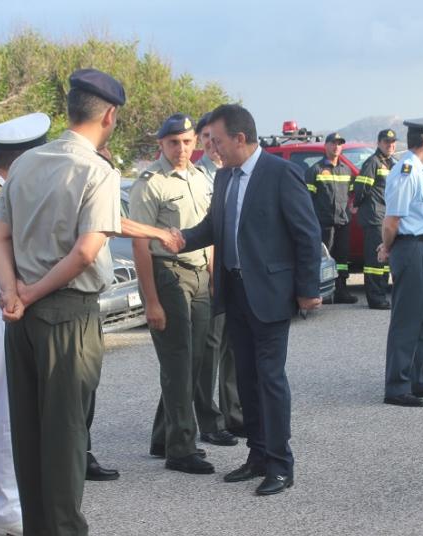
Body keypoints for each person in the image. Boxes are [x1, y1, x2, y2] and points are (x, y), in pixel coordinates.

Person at [0, 68, 179, 536]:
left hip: (21, 319)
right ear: (109, 115)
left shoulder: (27, 163)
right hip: (67, 315)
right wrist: (30, 292)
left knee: (29, 435)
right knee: (66, 437)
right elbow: (85, 252)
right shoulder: (97, 170)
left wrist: (12, 292)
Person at [0, 111, 118, 536]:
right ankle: (11, 511)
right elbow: (77, 249)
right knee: (20, 423)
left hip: (13, 306)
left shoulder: (7, 183)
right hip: (14, 307)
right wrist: (23, 294)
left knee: (28, 423)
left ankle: (30, 516)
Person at [173, 104, 322, 496]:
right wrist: (181, 238)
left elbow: (307, 234)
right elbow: (213, 226)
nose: (212, 148)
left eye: (217, 140)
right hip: (234, 291)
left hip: (269, 294)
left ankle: (280, 464)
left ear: (240, 138)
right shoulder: (225, 176)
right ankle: (257, 455)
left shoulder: (280, 173)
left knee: (270, 379)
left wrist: (308, 290)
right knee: (246, 379)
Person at [129, 113, 236, 475]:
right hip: (168, 273)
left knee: (194, 361)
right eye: (174, 142)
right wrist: (151, 302)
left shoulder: (200, 178)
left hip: (199, 274)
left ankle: (164, 436)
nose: (182, 148)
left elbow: (209, 232)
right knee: (178, 361)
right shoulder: (150, 183)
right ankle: (181, 448)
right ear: (161, 144)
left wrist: (213, 275)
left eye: (188, 141)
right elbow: (140, 244)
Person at [378, 115, 423, 407]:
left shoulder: (421, 170)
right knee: (407, 319)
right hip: (412, 249)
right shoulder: (406, 171)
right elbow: (392, 221)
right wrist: (386, 248)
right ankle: (397, 386)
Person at [195, 111, 245, 439]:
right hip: (207, 275)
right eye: (206, 139)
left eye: (216, 139)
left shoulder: (232, 171)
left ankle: (234, 414)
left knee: (233, 348)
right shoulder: (198, 175)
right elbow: (206, 230)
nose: (212, 145)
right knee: (208, 350)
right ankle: (207, 419)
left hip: (230, 274)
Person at [305, 132, 357, 303]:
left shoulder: (346, 170)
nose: (336, 147)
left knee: (342, 259)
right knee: (324, 260)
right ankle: (324, 293)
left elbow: (351, 194)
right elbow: (307, 198)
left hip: (343, 222)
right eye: (333, 143)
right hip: (324, 223)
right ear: (326, 146)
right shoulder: (315, 170)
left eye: (339, 144)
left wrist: (351, 208)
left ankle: (341, 291)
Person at [354, 129, 398, 310]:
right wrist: (357, 204)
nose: (390, 145)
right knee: (375, 261)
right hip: (375, 217)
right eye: (386, 142)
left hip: (386, 216)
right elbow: (360, 188)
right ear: (379, 143)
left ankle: (381, 294)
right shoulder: (373, 162)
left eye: (393, 142)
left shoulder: (392, 163)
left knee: (384, 260)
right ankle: (375, 298)